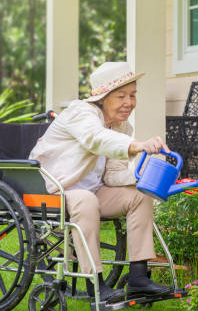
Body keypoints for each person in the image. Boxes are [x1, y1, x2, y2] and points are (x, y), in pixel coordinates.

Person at [29, 62, 172, 303]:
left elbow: (113, 175)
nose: (129, 102)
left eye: (133, 95)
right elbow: (95, 139)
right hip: (56, 188)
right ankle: (96, 282)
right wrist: (137, 145)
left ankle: (138, 277)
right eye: (121, 96)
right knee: (85, 200)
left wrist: (141, 175)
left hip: (94, 191)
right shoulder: (80, 112)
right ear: (103, 97)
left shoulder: (121, 125)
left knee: (140, 194)